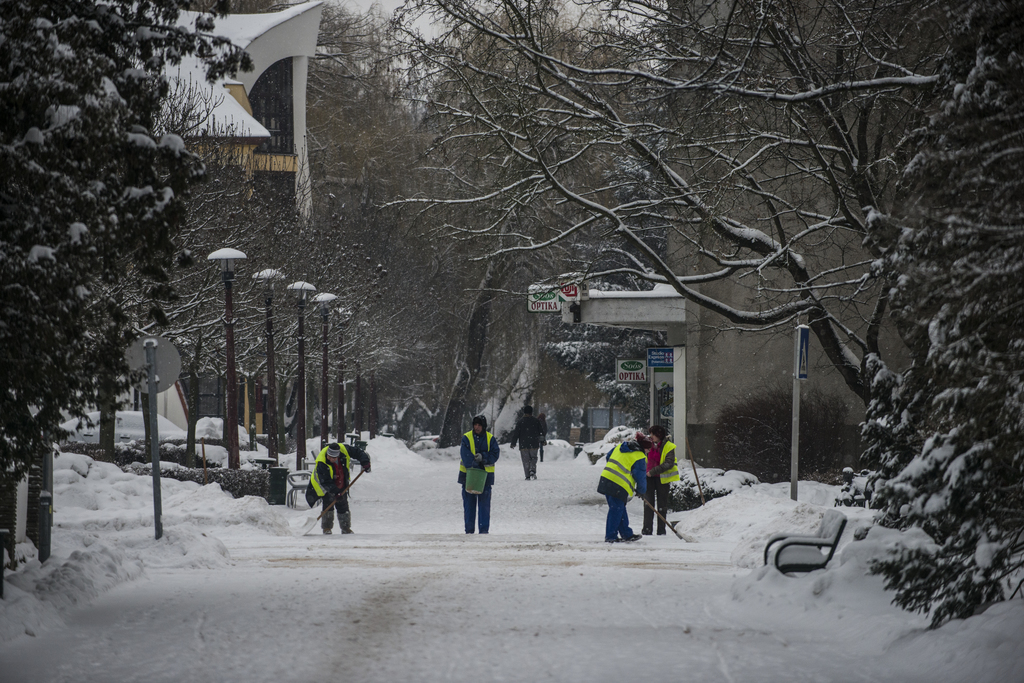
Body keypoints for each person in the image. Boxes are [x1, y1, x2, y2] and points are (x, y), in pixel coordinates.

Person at [596, 432, 652, 543]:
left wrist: (615, 468)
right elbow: (640, 477)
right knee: (616, 509)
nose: (649, 451)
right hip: (618, 484)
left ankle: (627, 534)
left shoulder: (621, 446)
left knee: (619, 508)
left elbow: (608, 456)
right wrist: (642, 491)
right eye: (648, 449)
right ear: (643, 447)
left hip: (606, 478)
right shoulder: (639, 456)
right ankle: (610, 536)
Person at [305, 441, 371, 534]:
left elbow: (358, 452)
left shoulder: (344, 450)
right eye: (329, 457)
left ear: (338, 455)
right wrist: (335, 492)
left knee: (343, 505)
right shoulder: (322, 462)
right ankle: (326, 528)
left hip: (341, 481)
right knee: (328, 504)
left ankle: (346, 528)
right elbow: (325, 481)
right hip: (326, 486)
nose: (331, 459)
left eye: (334, 457)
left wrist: (365, 462)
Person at [459, 415, 500, 533]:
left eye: (479, 425)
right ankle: (469, 531)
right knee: (469, 507)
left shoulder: (490, 439)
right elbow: (465, 456)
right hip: (468, 478)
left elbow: (495, 454)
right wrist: (477, 465)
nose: (477, 427)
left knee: (484, 507)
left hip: (485, 479)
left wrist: (483, 457)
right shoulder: (466, 437)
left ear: (484, 426)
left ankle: (483, 531)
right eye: (475, 425)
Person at [642, 425, 679, 535]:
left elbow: (668, 463)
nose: (651, 436)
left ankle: (661, 531)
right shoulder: (647, 445)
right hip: (648, 478)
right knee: (648, 504)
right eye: (650, 434)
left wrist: (653, 471)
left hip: (662, 479)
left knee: (662, 506)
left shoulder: (669, 446)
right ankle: (647, 530)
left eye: (653, 434)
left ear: (659, 435)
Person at [509, 405, 544, 480]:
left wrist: (513, 443)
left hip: (523, 444)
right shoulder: (536, 421)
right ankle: (532, 470)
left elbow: (516, 433)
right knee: (533, 458)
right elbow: (540, 432)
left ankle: (527, 475)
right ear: (531, 412)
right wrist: (543, 441)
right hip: (534, 444)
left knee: (525, 460)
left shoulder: (520, 422)